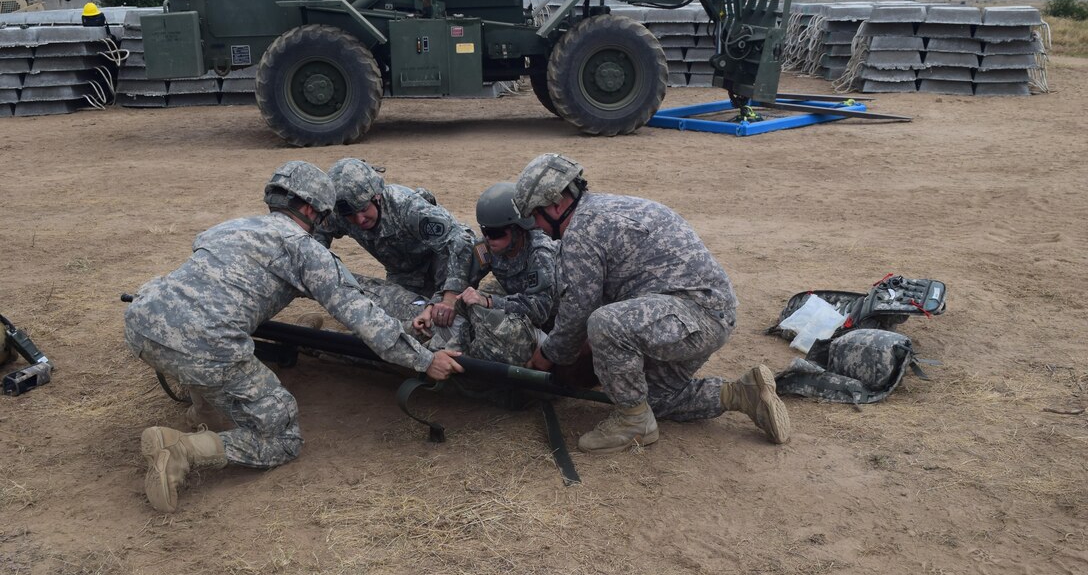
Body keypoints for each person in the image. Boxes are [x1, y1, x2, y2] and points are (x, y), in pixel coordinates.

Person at [124, 161, 464, 513]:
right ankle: (182, 451)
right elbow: (363, 316)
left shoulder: (228, 228)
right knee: (283, 439)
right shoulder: (305, 251)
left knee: (210, 342)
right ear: (309, 208)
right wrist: (425, 360)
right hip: (205, 346)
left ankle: (205, 408)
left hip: (142, 324)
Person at [512, 153, 791, 454]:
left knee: (604, 324)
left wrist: (547, 356)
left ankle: (633, 424)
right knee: (649, 399)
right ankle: (741, 394)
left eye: (535, 216)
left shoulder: (581, 231)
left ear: (556, 204)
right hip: (704, 316)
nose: (536, 227)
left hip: (692, 316)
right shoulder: (608, 208)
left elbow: (579, 310)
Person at [317, 158, 478, 331]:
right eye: (351, 215)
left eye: (363, 209)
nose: (359, 220)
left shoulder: (407, 206)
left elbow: (461, 240)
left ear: (376, 196)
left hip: (441, 264)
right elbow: (316, 235)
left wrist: (450, 296)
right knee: (389, 313)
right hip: (406, 275)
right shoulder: (341, 212)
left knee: (447, 317)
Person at [452, 181, 560, 364]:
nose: (488, 238)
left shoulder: (540, 253)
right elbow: (464, 274)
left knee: (485, 305)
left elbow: (540, 310)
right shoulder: (488, 246)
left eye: (495, 233)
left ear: (518, 229)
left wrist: (489, 302)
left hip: (554, 327)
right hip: (522, 310)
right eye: (485, 230)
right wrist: (447, 299)